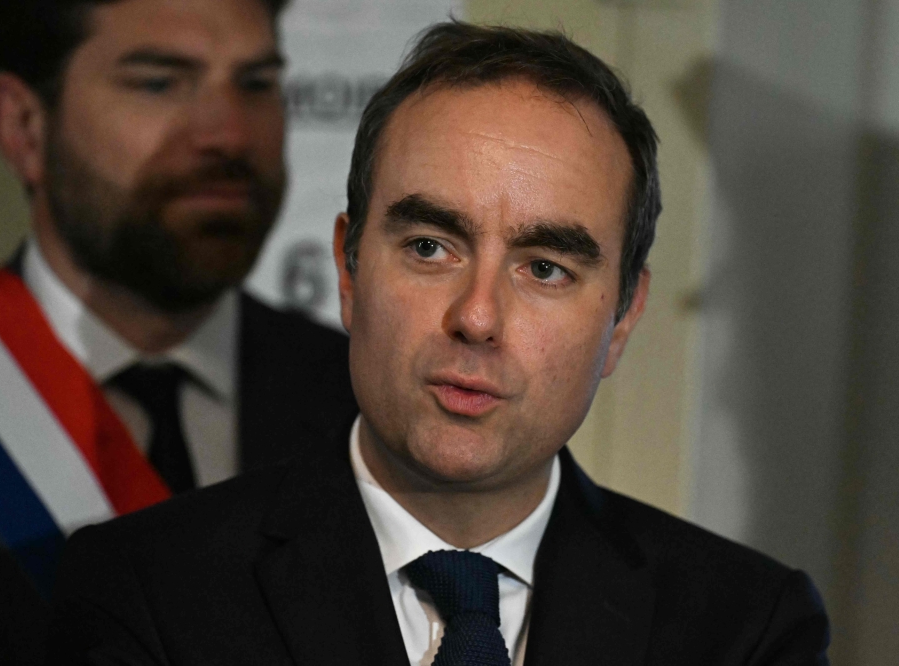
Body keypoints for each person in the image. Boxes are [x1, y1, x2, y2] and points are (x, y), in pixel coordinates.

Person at [46, 21, 831, 666]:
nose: (478, 316)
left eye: (546, 267)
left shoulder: (748, 632)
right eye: (430, 247)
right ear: (349, 271)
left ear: (622, 317)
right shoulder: (145, 594)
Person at [0, 0, 357, 663]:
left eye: (255, 83)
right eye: (159, 82)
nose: (228, 134)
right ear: (23, 126)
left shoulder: (363, 404)